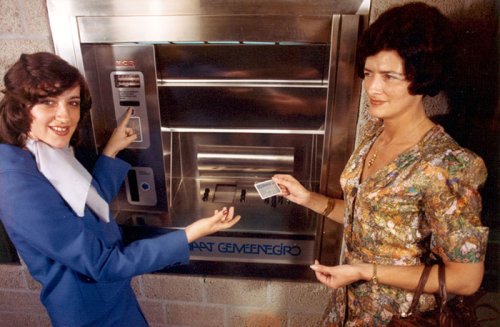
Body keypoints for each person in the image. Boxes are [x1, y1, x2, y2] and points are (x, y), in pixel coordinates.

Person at [273, 2, 489, 326]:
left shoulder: (446, 165)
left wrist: (364, 271)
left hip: (399, 318)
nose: (373, 88)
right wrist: (308, 199)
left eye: (389, 76)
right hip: (347, 309)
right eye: (369, 73)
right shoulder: (374, 134)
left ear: (422, 79)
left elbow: (466, 278)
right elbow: (371, 220)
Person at [0, 52, 241, 327]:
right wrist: (191, 233)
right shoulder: (15, 183)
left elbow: (86, 204)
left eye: (73, 102)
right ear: (20, 106)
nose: (64, 115)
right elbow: (104, 264)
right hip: (91, 313)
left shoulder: (39, 150)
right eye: (47, 102)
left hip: (107, 296)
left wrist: (112, 150)